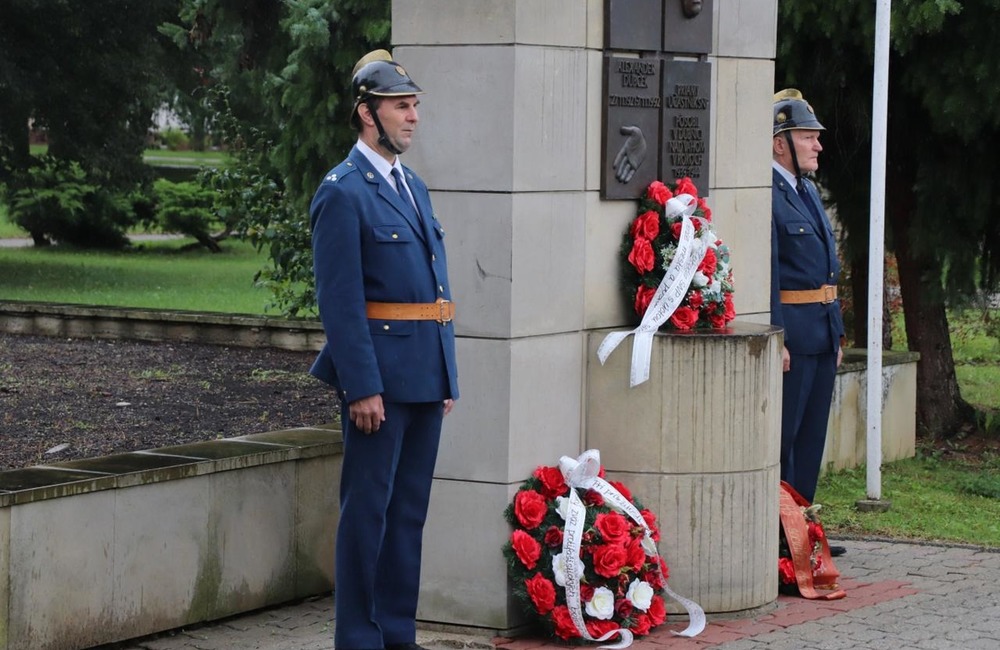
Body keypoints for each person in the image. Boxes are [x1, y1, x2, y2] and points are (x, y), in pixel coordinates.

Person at [309, 49, 459, 650]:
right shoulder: (342, 193)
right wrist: (361, 385)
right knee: (367, 516)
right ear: (367, 114)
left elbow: (434, 287)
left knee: (407, 518)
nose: (413, 116)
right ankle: (359, 640)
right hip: (380, 385)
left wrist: (445, 374)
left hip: (424, 376)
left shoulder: (413, 186)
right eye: (402, 106)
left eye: (415, 105)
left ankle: (397, 635)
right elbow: (340, 304)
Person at [769, 89, 844, 515]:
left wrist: (838, 331)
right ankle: (783, 536)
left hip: (821, 332)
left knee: (813, 435)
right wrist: (777, 337)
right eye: (807, 136)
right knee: (787, 437)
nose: (818, 144)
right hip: (793, 338)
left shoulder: (806, 189)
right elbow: (772, 273)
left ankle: (804, 531)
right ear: (781, 143)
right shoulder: (769, 193)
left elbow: (828, 268)